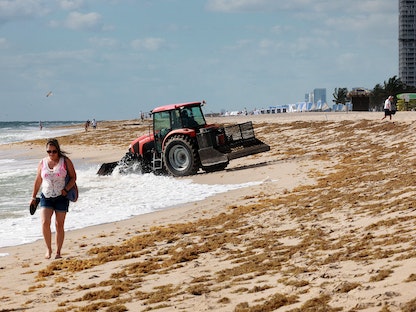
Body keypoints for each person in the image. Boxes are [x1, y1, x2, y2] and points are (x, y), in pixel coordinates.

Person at [30, 138, 77, 259]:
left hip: (62, 196)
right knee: (45, 222)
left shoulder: (65, 161)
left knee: (59, 224)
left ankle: (58, 252)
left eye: (54, 151)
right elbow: (38, 180)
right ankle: (48, 249)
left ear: (58, 150)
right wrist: (33, 197)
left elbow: (73, 177)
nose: (51, 154)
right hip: (46, 196)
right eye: (48, 151)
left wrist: (66, 190)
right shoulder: (42, 162)